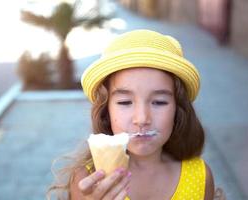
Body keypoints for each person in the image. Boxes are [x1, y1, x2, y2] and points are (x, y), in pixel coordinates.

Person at [48, 29, 217, 200]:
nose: (142, 119)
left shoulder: (201, 176)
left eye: (159, 102)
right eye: (125, 102)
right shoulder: (88, 182)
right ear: (106, 111)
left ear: (178, 110)